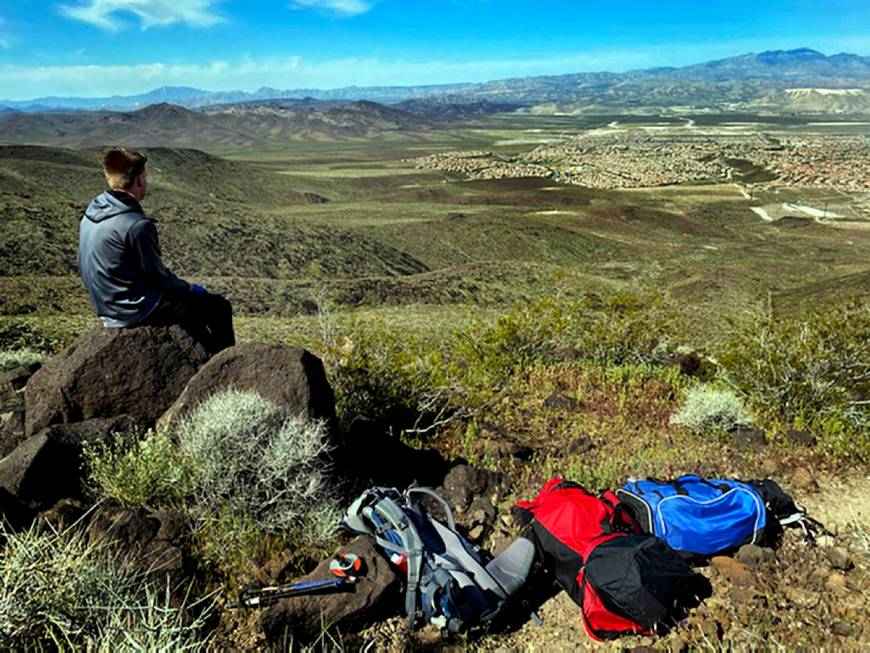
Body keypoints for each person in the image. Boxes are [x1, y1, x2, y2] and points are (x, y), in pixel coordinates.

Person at [77, 148, 234, 354]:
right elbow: (159, 278)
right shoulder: (135, 224)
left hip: (105, 305)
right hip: (133, 309)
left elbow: (81, 263)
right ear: (139, 179)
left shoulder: (90, 214)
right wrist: (190, 289)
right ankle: (222, 365)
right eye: (145, 175)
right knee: (218, 307)